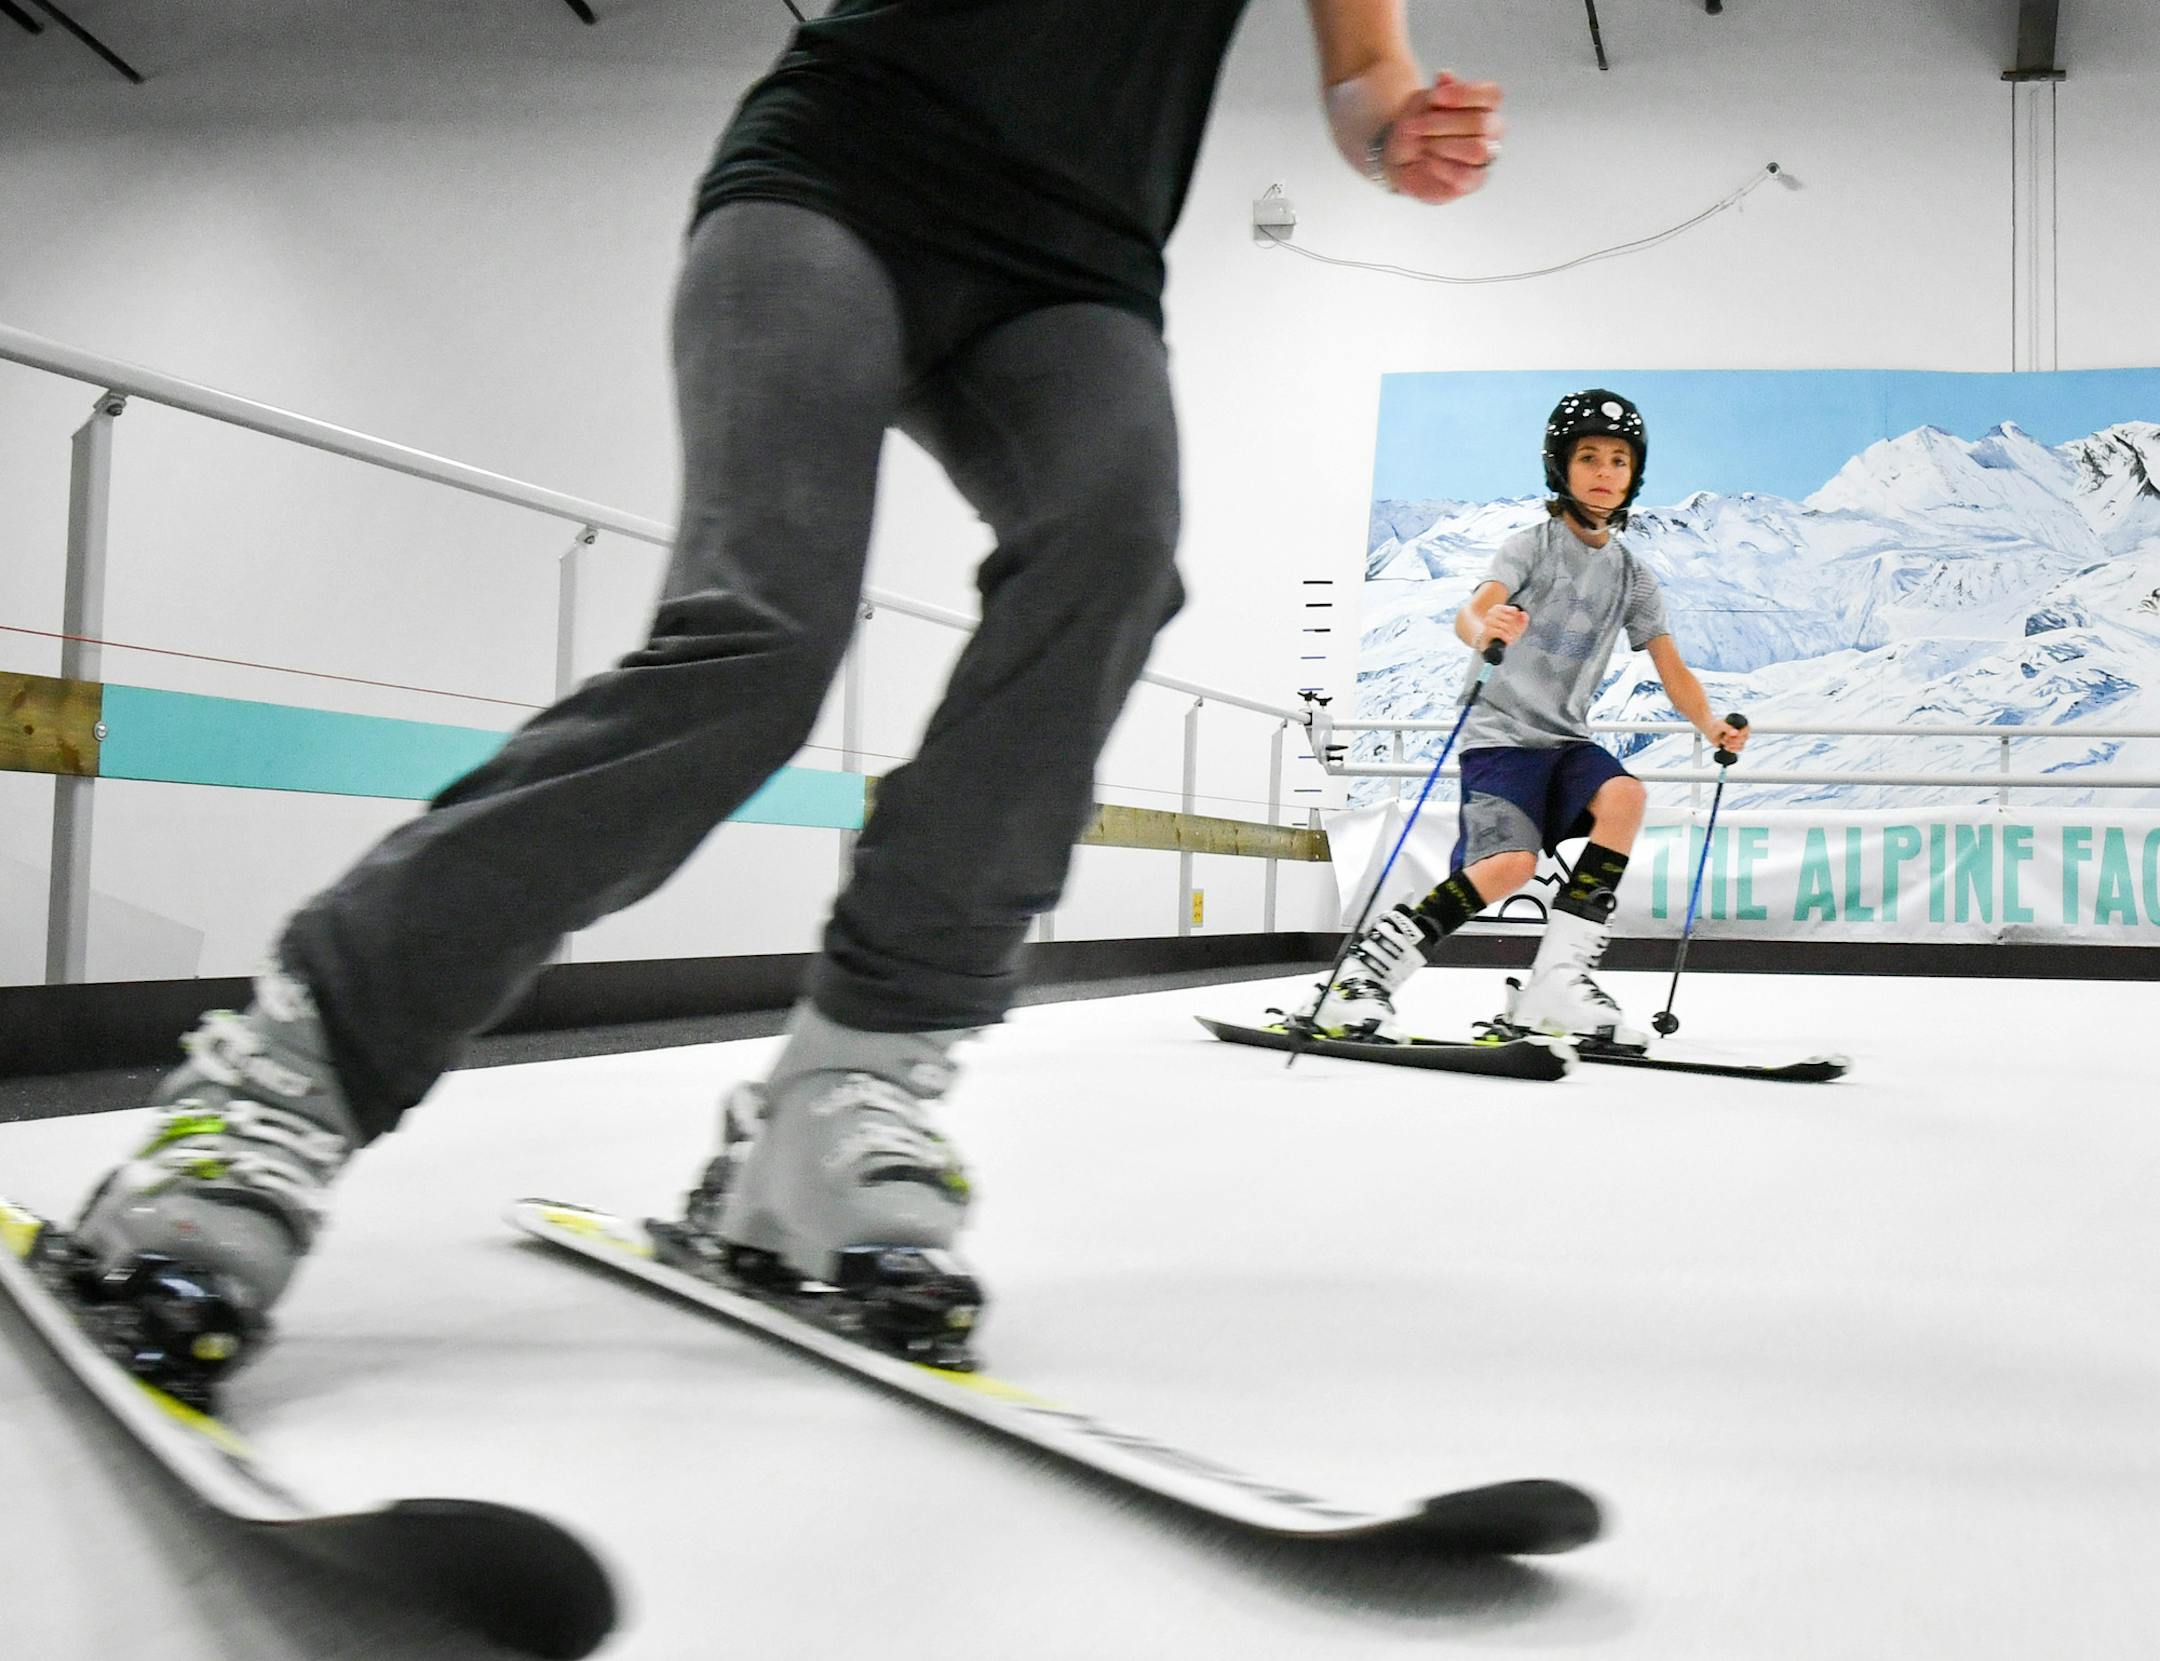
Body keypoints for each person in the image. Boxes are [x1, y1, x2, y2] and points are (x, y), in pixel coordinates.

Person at [64, 1, 1506, 1386]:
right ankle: (280, 1082)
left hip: (1076, 268)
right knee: (759, 642)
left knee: (1114, 559)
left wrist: (1399, 132)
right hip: (836, 181)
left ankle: (845, 1089)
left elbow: (1362, 67)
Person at [1312, 388, 1748, 1048]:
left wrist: (1710, 724)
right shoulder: (1531, 548)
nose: (1606, 472)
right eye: (1590, 457)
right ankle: (1362, 977)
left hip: (1566, 740)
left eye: (1620, 460)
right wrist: (1485, 624)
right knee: (1509, 867)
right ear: (1561, 468)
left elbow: (1670, 665)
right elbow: (1475, 609)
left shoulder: (1633, 576)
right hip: (1501, 739)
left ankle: (1556, 983)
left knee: (1626, 796)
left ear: (1635, 474)